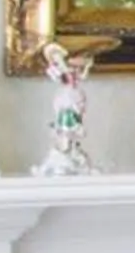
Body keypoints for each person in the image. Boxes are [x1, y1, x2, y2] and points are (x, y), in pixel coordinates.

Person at [33, 41, 97, 177]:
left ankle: (72, 150)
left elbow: (82, 76)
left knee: (73, 128)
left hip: (73, 103)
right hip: (67, 105)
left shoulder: (74, 82)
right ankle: (65, 149)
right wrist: (56, 62)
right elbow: (56, 73)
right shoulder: (62, 82)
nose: (74, 73)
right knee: (65, 129)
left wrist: (88, 66)